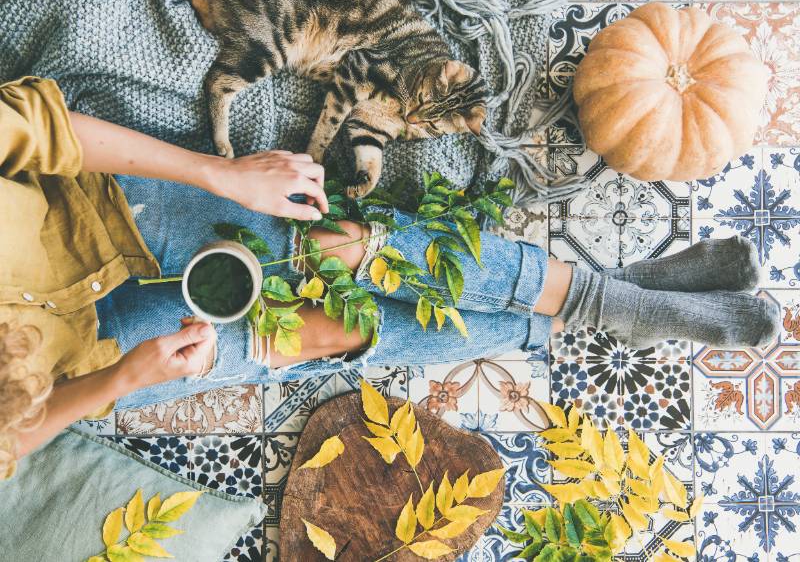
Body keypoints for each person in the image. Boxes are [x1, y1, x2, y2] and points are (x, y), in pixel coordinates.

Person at [0, 76, 779, 478]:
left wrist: (219, 175)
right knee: (329, 330)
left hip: (105, 212)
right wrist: (119, 383)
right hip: (92, 355)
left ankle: (606, 297)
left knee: (339, 245)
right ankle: (609, 300)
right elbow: (15, 439)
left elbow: (45, 126)